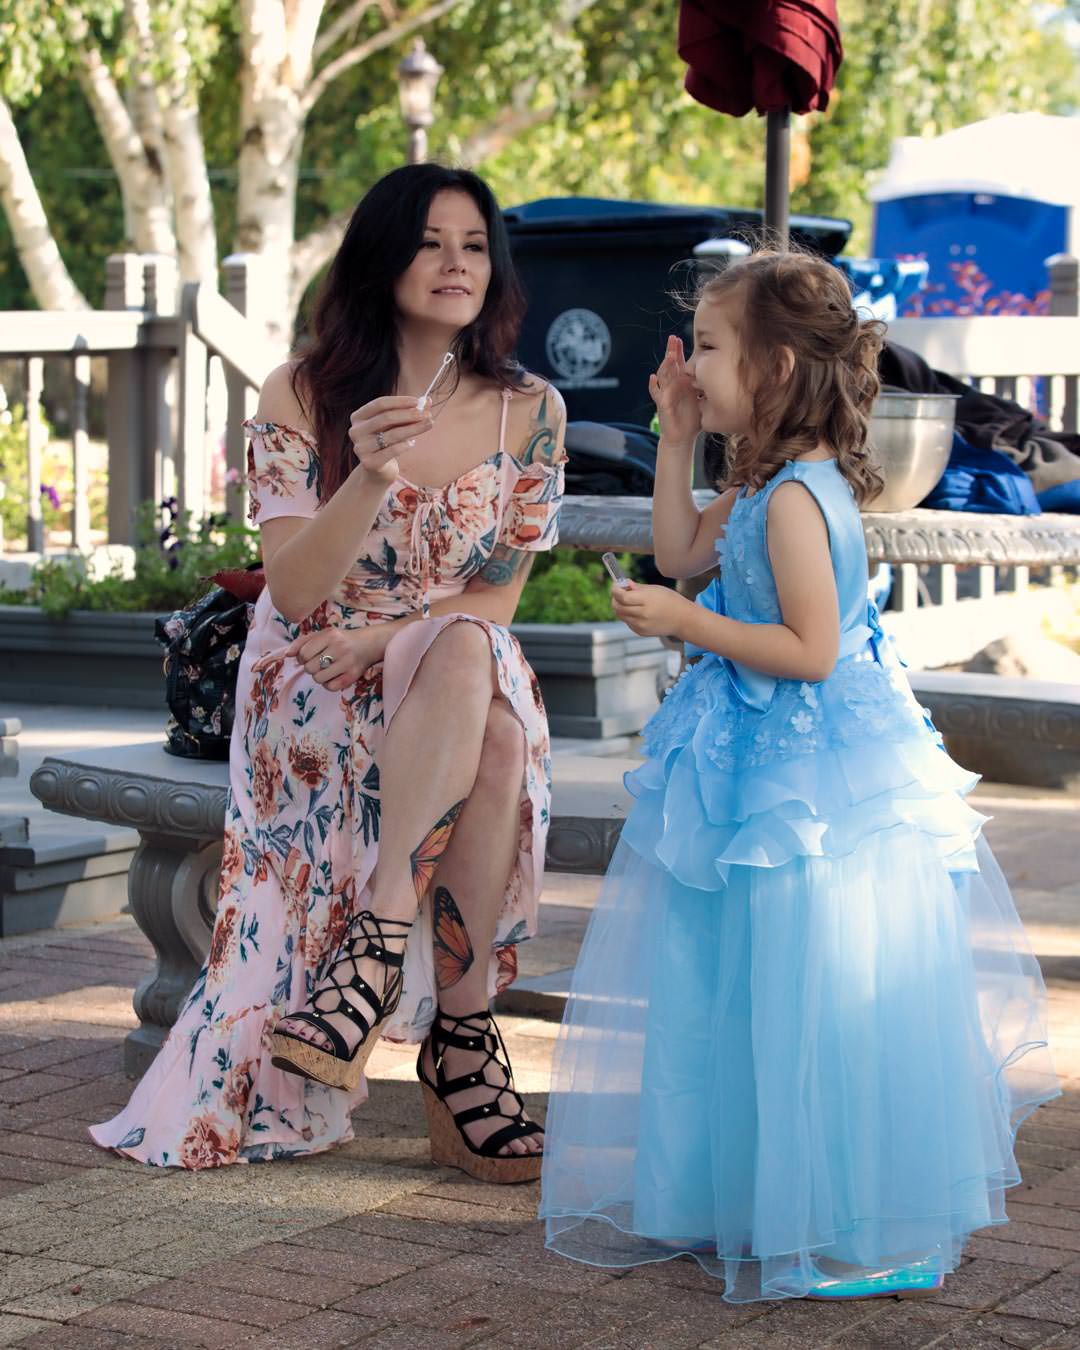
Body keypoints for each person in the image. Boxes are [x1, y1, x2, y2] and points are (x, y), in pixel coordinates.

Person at [539, 250, 1058, 1300]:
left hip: (806, 783)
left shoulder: (791, 501)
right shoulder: (763, 482)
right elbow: (680, 549)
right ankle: (741, 1194)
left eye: (716, 348)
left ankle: (820, 1210)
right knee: (737, 981)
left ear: (776, 369)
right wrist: (676, 436)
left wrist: (689, 627)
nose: (699, 363)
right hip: (757, 765)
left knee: (798, 987)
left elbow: (811, 648)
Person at [90, 164, 566, 1181]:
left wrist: (388, 635)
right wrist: (372, 475)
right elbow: (297, 594)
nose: (455, 264)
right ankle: (465, 1048)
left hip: (444, 661)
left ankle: (375, 941)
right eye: (431, 241)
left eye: (474, 244)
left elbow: (497, 598)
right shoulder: (300, 391)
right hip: (312, 676)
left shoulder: (531, 411)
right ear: (382, 256)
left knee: (474, 669)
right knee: (488, 729)